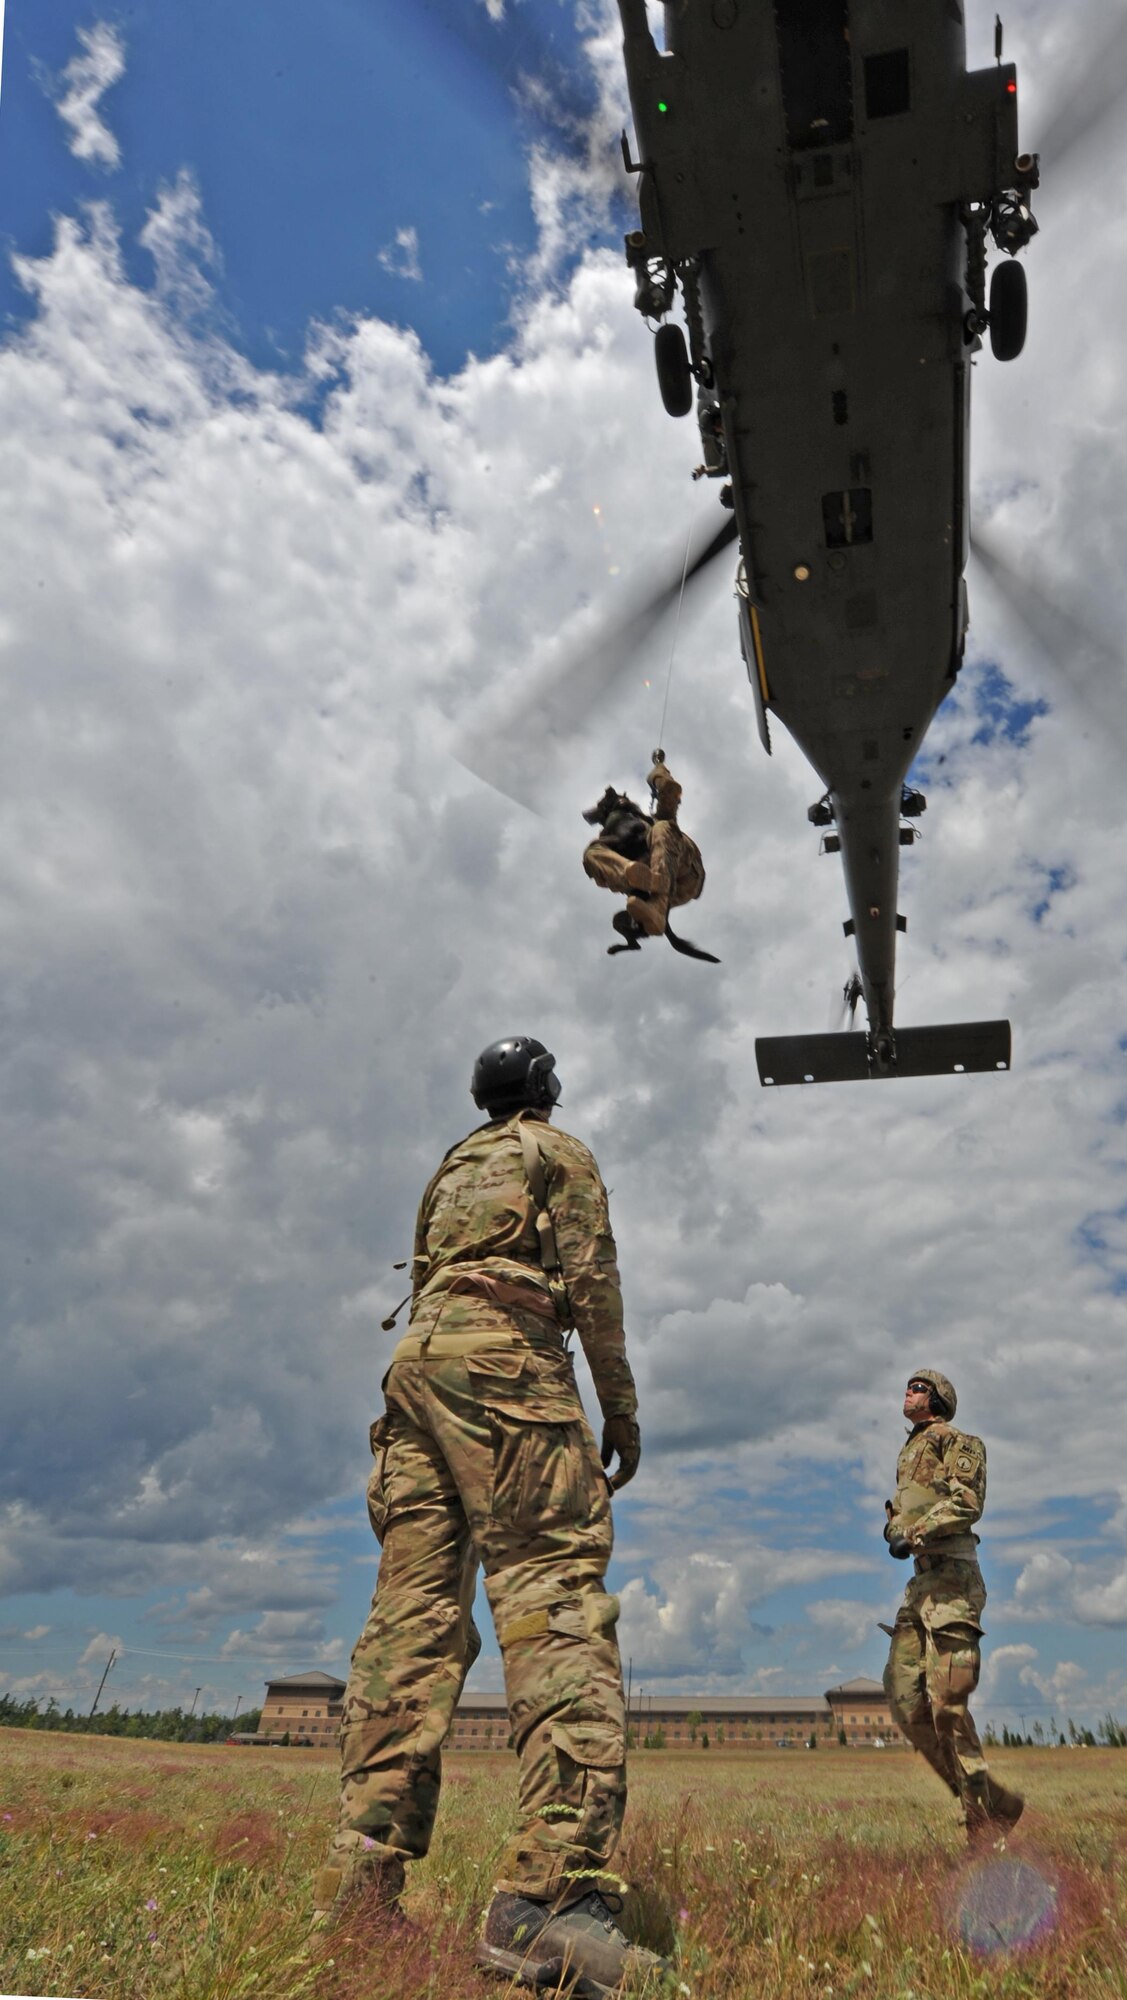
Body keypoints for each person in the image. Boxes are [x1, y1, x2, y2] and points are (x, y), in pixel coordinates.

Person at [313, 1035, 660, 1994]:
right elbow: (590, 1283)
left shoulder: (451, 1167)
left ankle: (365, 1881)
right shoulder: (557, 1153)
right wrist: (618, 1405)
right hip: (507, 1369)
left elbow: (429, 1280)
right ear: (545, 1093)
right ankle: (548, 1906)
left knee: (411, 1626)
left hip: (416, 1373)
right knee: (554, 1602)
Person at [882, 1369, 1024, 1839]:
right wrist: (894, 1531)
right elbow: (897, 1516)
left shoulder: (959, 1442)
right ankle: (994, 1802)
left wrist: (916, 1532)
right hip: (918, 1588)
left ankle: (981, 1825)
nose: (909, 1390)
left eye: (920, 1386)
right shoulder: (908, 1453)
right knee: (906, 1703)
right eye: (909, 1384)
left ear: (940, 1399)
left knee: (948, 1705)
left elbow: (967, 1501)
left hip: (953, 1583)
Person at [581, 756, 717, 961]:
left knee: (663, 828)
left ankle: (657, 904)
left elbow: (670, 789)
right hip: (648, 884)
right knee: (591, 853)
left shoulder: (657, 820)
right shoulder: (611, 841)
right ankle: (635, 878)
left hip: (685, 875)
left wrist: (658, 773)